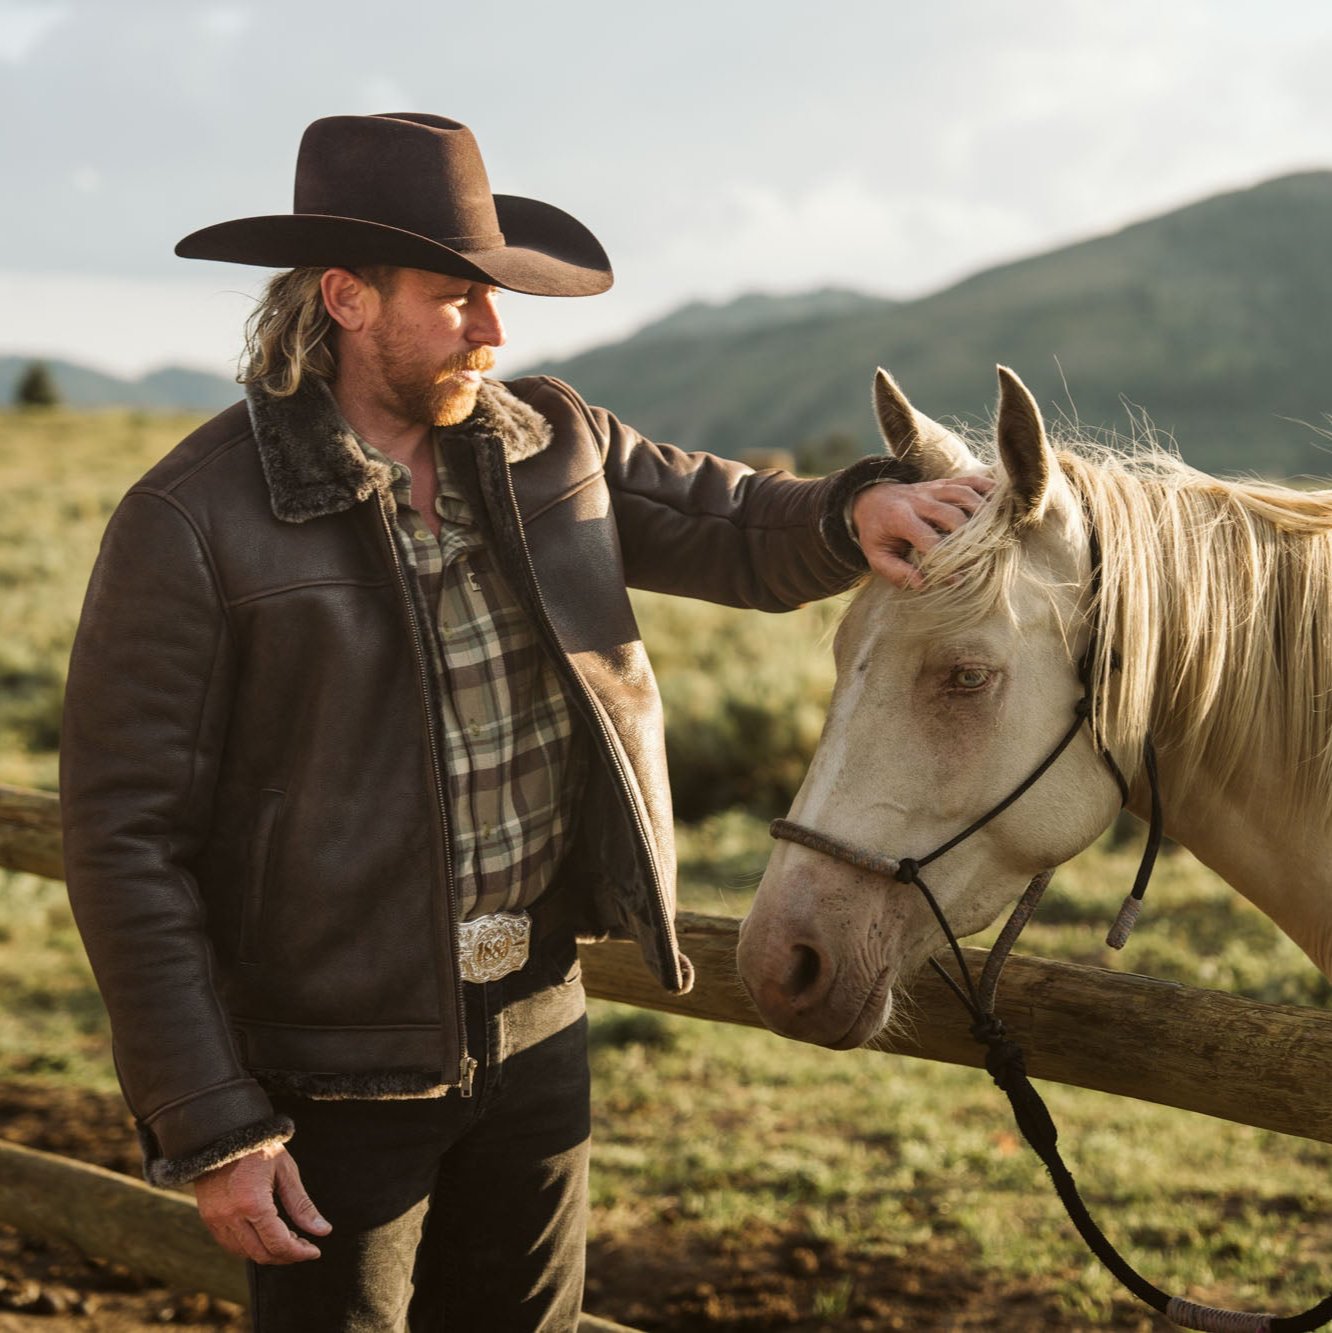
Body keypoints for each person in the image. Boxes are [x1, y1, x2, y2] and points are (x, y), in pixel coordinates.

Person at [59, 113, 992, 1332]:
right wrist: (214, 1123)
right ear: (344, 296)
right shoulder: (190, 518)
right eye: (456, 298)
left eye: (494, 296)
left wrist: (861, 508)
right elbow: (124, 839)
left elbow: (734, 521)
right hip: (330, 1070)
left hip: (540, 1023)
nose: (495, 330)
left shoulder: (553, 441)